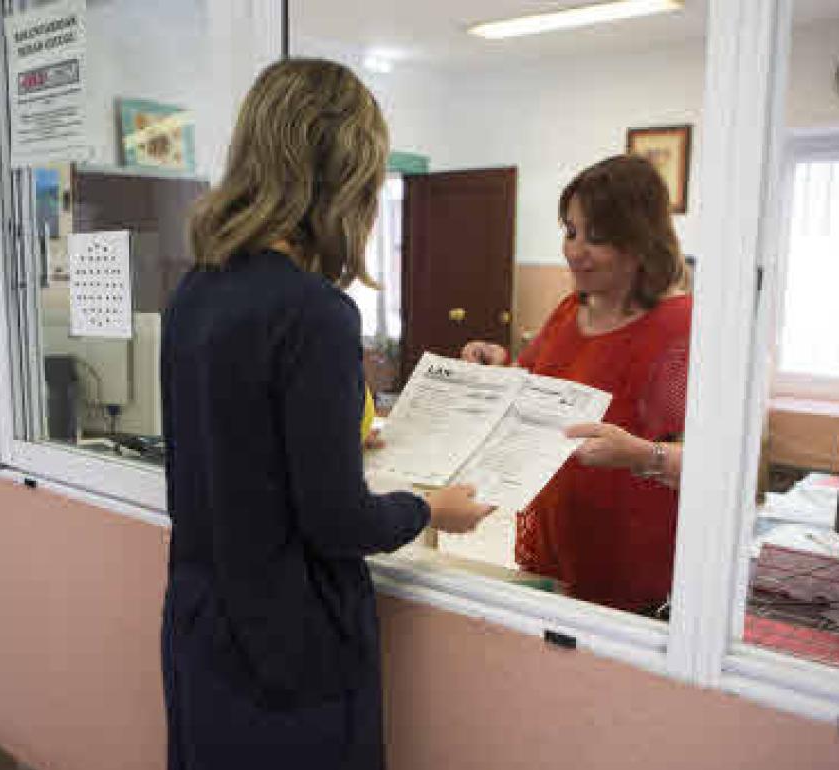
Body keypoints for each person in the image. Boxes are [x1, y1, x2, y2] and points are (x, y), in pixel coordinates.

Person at [160, 58, 493, 770]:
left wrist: (326, 444)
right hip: (287, 651)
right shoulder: (315, 313)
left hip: (201, 625)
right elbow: (338, 522)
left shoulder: (196, 291)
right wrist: (428, 509)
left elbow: (228, 447)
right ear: (345, 180)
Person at [461, 154, 691, 614]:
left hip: (633, 569)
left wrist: (642, 455)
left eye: (596, 238)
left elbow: (720, 468)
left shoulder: (681, 328)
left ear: (639, 242)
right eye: (570, 231)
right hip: (553, 548)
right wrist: (498, 368)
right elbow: (534, 386)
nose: (574, 250)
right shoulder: (571, 310)